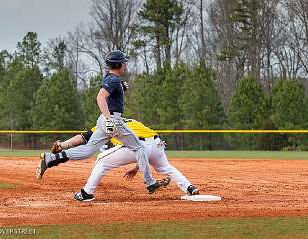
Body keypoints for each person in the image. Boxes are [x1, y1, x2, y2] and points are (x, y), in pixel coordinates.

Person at [36, 50, 166, 194]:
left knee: (87, 151)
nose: (125, 65)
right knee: (139, 148)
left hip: (104, 120)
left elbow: (110, 96)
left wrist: (120, 89)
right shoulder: (113, 80)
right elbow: (100, 97)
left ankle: (50, 158)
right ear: (118, 64)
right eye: (124, 62)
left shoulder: (112, 78)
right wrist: (110, 119)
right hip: (113, 120)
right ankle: (150, 182)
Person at [48, 119, 199, 201]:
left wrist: (63, 145)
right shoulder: (132, 121)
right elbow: (145, 147)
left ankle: (86, 193)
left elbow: (81, 138)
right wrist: (136, 168)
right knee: (167, 169)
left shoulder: (105, 124)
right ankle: (190, 188)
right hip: (157, 144)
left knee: (101, 160)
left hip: (137, 147)